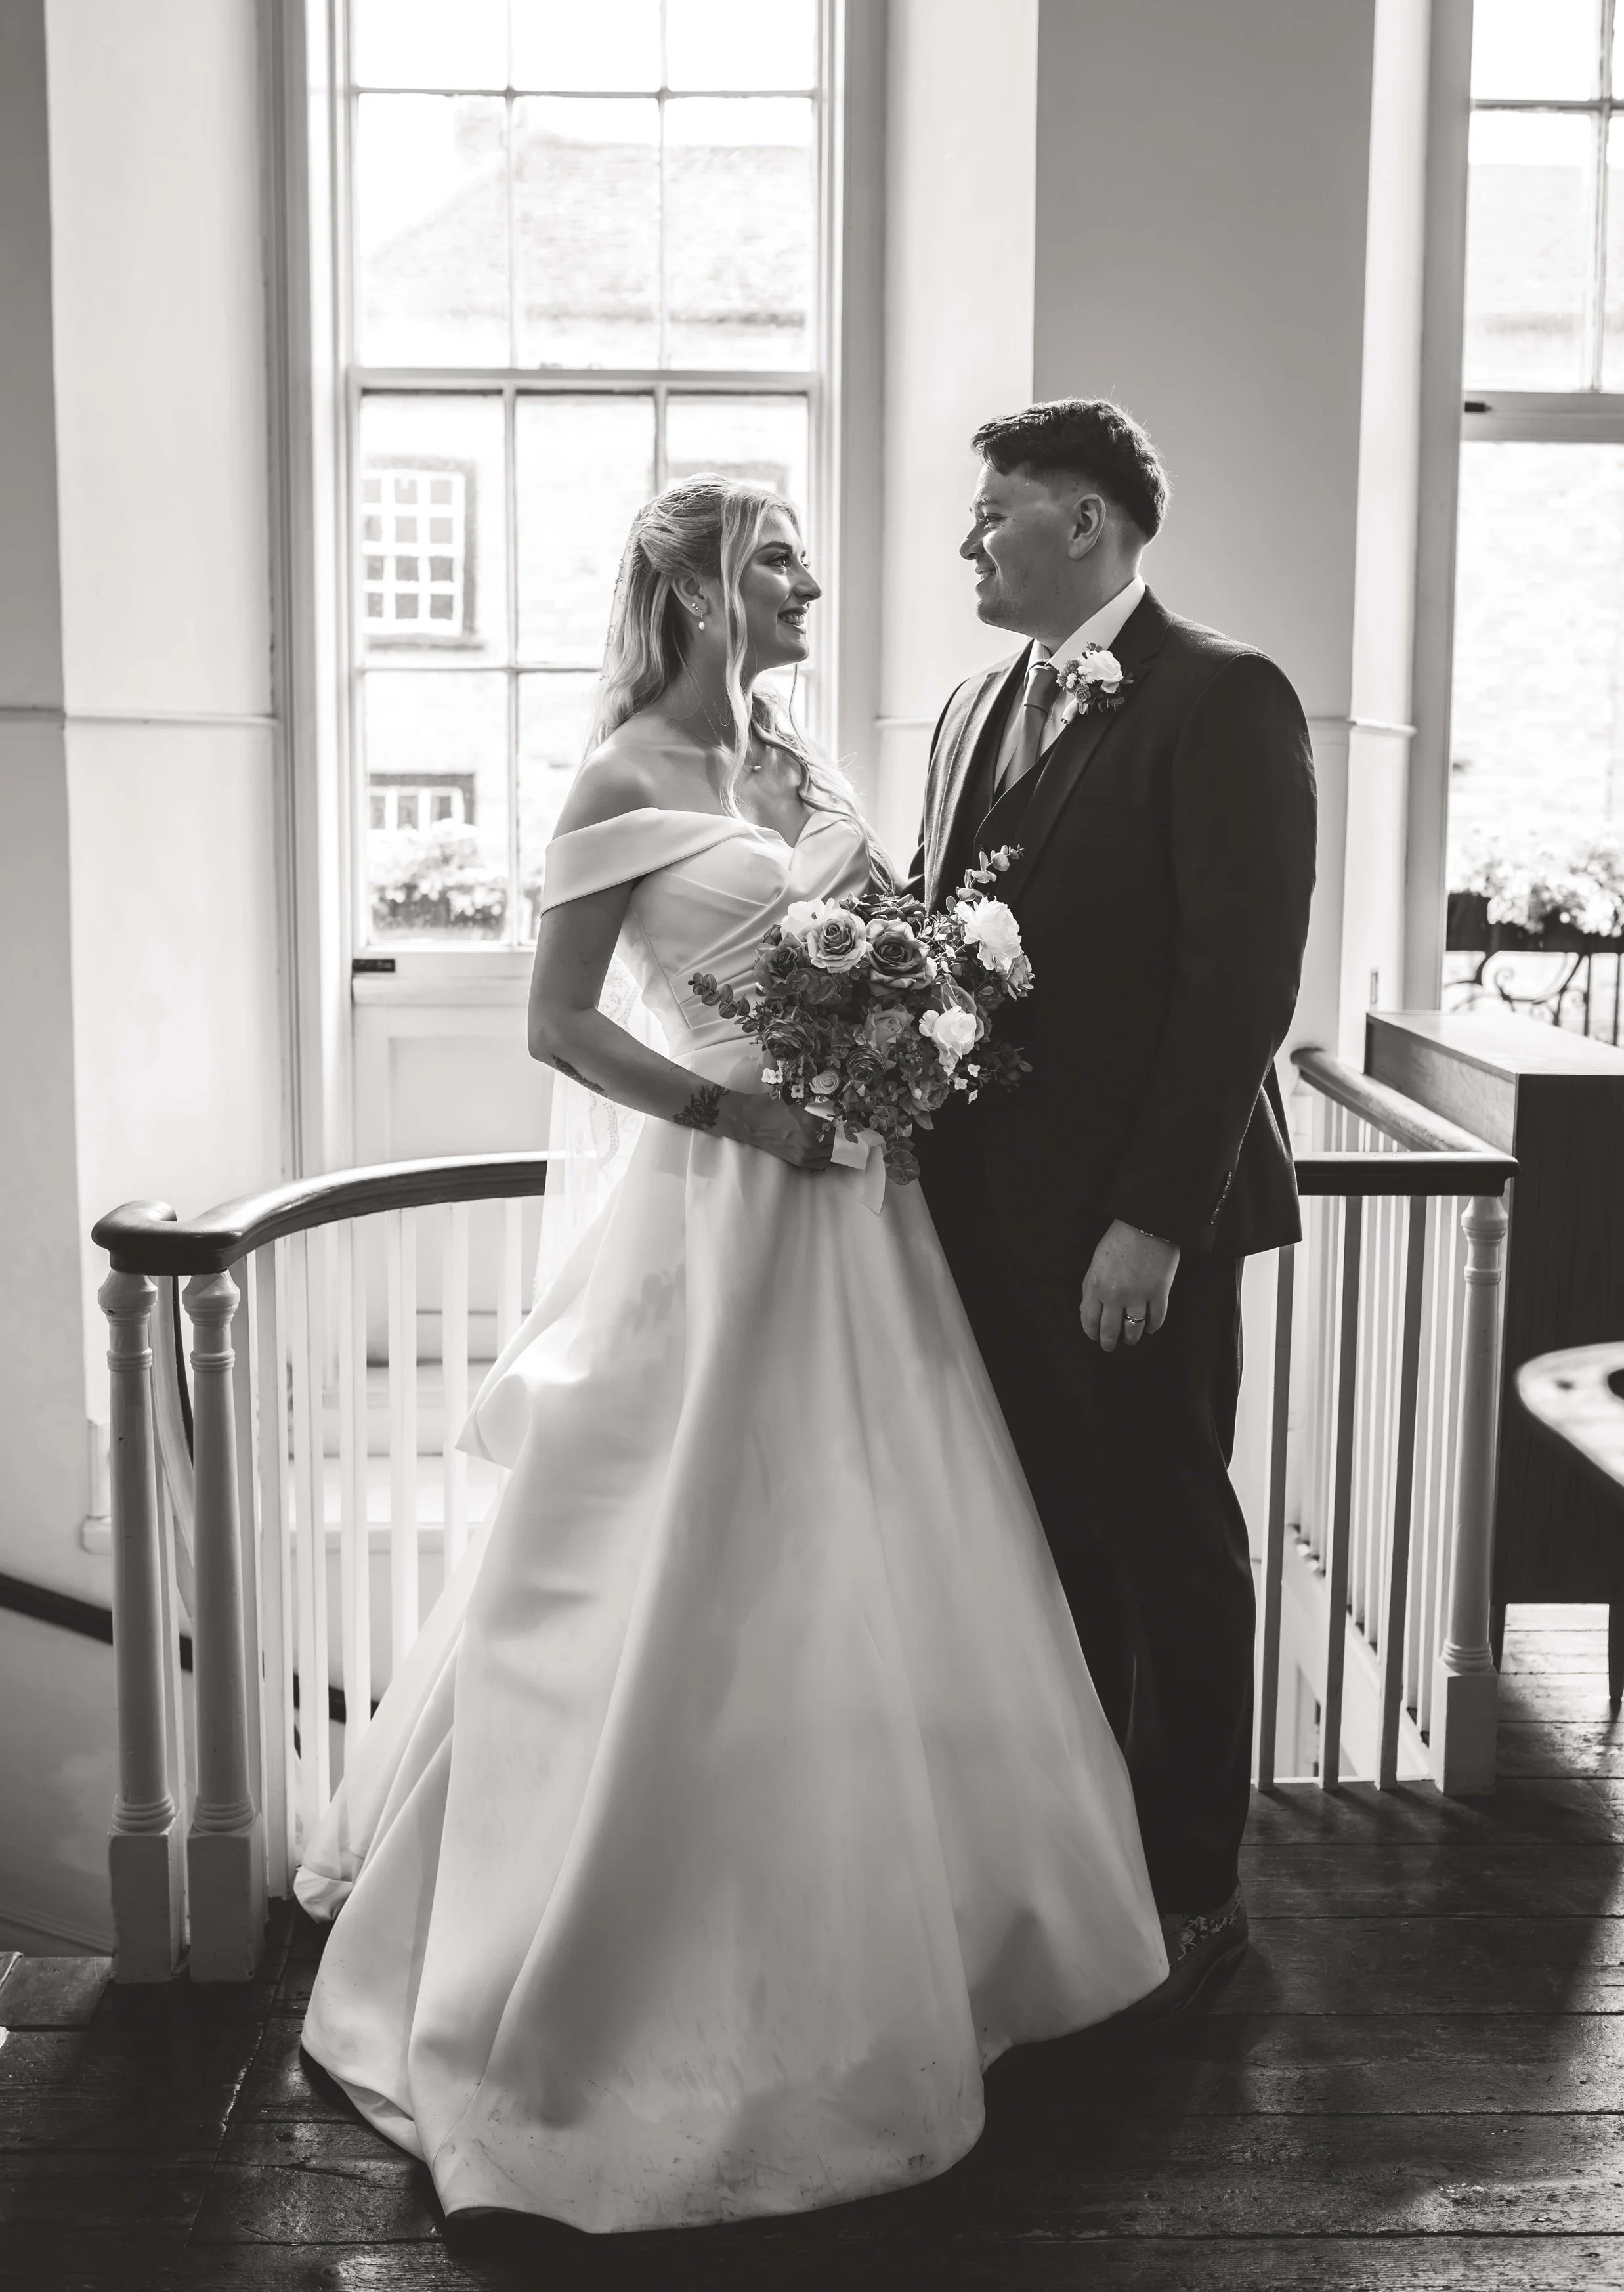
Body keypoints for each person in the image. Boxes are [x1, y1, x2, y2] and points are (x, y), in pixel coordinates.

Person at [294, 474, 1166, 2234]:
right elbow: (555, 1024)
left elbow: (899, 934)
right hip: (718, 1208)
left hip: (859, 1210)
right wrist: (731, 1110)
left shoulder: (795, 769)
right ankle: (612, 1968)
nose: (810, 582)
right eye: (777, 561)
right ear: (695, 591)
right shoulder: (618, 777)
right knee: (692, 1562)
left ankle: (934, 1936)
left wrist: (909, 1027)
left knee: (887, 1542)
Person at [912, 399, 1317, 2018]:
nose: (969, 542)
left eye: (994, 511)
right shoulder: (962, 709)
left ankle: (1192, 1888)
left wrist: (1152, 1220)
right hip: (977, 1218)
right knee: (1047, 1538)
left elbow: (1236, 989)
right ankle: (1074, 1861)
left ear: (1083, 523)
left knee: (1166, 1538)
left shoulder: (1221, 697)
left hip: (1135, 1230)